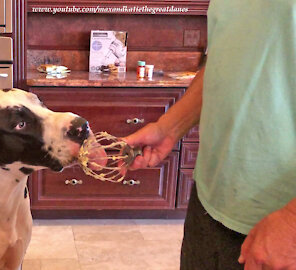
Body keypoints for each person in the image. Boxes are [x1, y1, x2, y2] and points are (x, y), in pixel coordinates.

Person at [122, 0, 296, 269]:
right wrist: (169, 127)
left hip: (277, 231)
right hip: (209, 203)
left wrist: (292, 223)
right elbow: (229, 57)